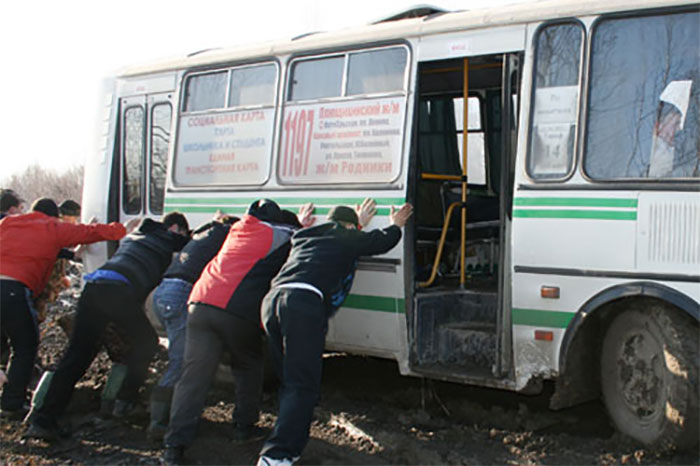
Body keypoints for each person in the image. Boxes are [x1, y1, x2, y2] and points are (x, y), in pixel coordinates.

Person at [256, 200, 413, 466]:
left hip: (272, 302)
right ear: (350, 226)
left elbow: (344, 238)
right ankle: (276, 456)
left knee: (289, 381)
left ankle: (283, 442)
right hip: (302, 305)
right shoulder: (345, 237)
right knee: (302, 386)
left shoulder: (305, 236)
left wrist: (357, 224)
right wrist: (395, 225)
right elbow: (379, 242)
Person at [161, 200, 314, 465]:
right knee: (248, 365)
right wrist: (302, 224)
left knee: (193, 376)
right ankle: (244, 427)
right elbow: (302, 241)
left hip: (199, 302)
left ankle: (174, 446)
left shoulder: (237, 229)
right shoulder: (280, 234)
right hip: (236, 308)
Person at [25, 212, 190, 440]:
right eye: (180, 231)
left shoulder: (138, 233)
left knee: (76, 356)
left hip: (94, 286)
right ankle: (126, 401)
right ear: (174, 228)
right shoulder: (170, 238)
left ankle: (43, 420)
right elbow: (191, 244)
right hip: (118, 291)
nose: (180, 236)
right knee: (147, 342)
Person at [0, 198, 128, 420]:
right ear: (53, 215)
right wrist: (124, 229)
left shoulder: (8, 224)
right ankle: (11, 403)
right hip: (14, 291)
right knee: (25, 346)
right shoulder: (52, 227)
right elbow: (92, 232)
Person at [148, 212, 239, 439]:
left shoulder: (204, 232)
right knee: (181, 361)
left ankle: (168, 415)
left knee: (185, 357)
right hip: (180, 293)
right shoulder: (227, 235)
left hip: (164, 291)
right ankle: (159, 423)